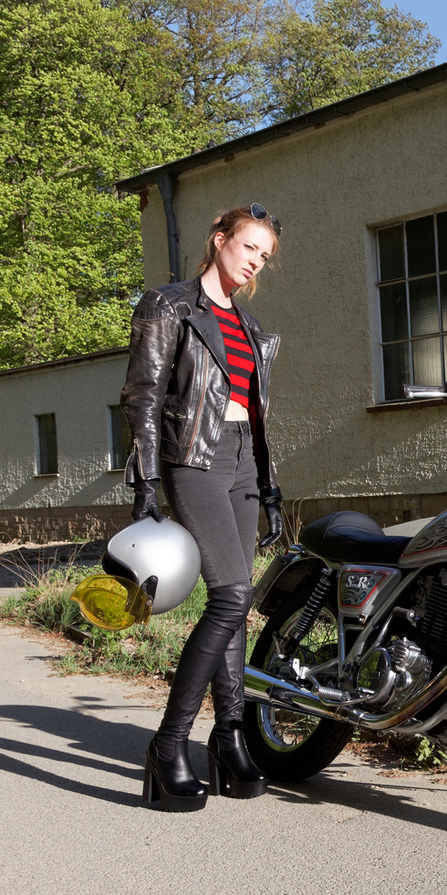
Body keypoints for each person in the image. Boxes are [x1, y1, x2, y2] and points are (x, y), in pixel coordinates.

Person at [121, 204, 285, 812]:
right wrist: (145, 477)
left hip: (243, 460)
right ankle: (168, 748)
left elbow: (256, 413)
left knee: (238, 602)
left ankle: (229, 738)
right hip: (195, 458)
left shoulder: (249, 325)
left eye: (264, 256)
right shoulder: (170, 306)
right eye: (248, 247)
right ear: (219, 241)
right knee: (230, 596)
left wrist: (269, 485)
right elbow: (143, 393)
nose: (255, 261)